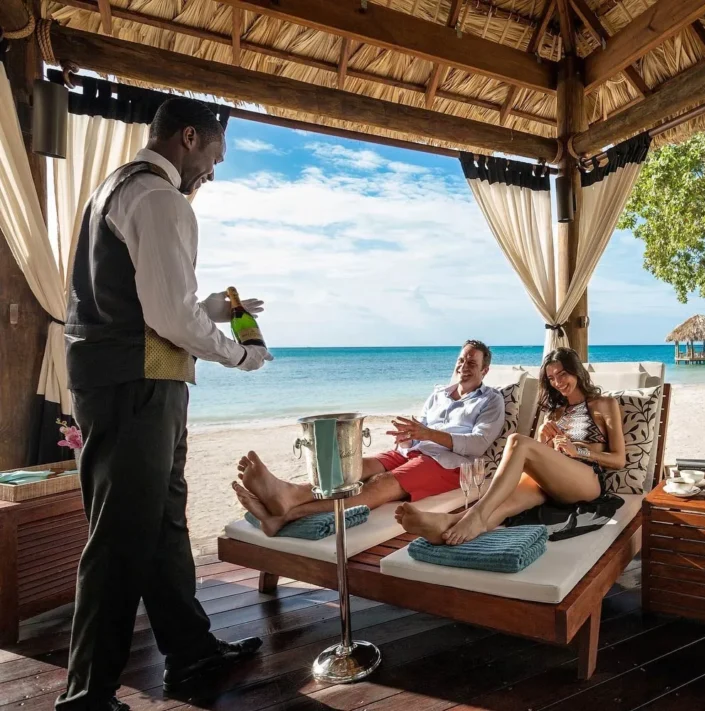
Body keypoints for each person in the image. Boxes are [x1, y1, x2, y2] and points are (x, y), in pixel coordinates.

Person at [59, 98, 274, 711]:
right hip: (137, 387)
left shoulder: (117, 189)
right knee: (122, 536)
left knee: (161, 524)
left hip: (128, 380)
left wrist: (207, 310)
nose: (214, 170)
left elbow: (147, 300)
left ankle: (191, 652)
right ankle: (86, 697)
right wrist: (239, 354)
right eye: (214, 155)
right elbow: (168, 316)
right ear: (188, 138)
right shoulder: (162, 199)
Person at [233, 340, 505, 536]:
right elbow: (421, 428)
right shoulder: (439, 394)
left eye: (472, 362)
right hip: (413, 451)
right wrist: (408, 436)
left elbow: (478, 443)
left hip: (450, 464)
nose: (463, 366)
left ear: (485, 371)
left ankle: (285, 515)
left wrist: (426, 433)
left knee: (380, 483)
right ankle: (289, 492)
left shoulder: (491, 400)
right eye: (461, 360)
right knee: (354, 467)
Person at [396, 347, 626, 545]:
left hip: (588, 481)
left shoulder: (603, 404)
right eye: (552, 378)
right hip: (555, 481)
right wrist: (545, 441)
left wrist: (580, 451)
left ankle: (474, 514)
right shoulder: (555, 413)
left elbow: (618, 459)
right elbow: (539, 455)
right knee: (505, 505)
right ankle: (448, 523)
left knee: (517, 440)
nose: (558, 382)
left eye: (562, 374)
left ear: (576, 370)